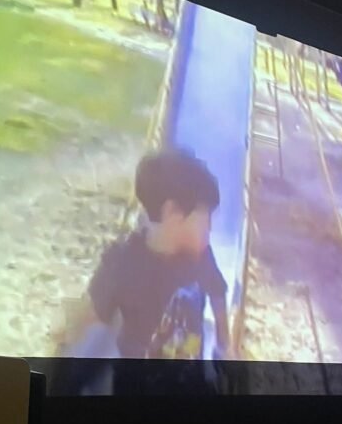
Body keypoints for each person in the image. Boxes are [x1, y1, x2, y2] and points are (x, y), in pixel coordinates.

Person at [57, 148, 233, 361]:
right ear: (173, 213)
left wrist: (223, 347)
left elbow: (217, 294)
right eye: (205, 217)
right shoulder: (122, 263)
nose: (210, 227)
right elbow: (88, 316)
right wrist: (63, 343)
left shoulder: (200, 257)